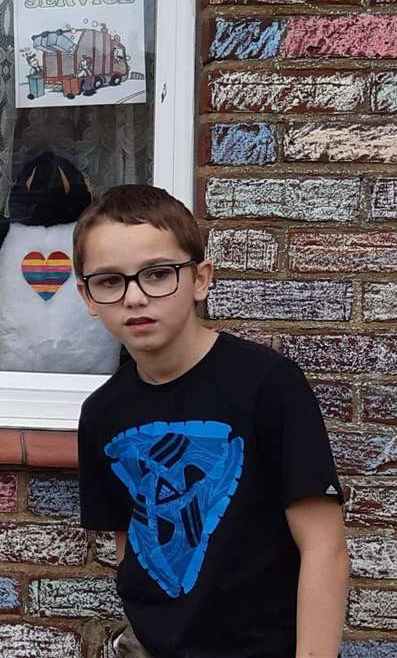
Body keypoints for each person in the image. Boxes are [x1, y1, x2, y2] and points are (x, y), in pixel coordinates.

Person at [73, 185, 348, 658]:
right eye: (110, 281)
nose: (135, 298)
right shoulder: (102, 414)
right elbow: (130, 545)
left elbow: (325, 549)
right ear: (87, 295)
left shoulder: (267, 385)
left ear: (201, 279)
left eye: (158, 274)